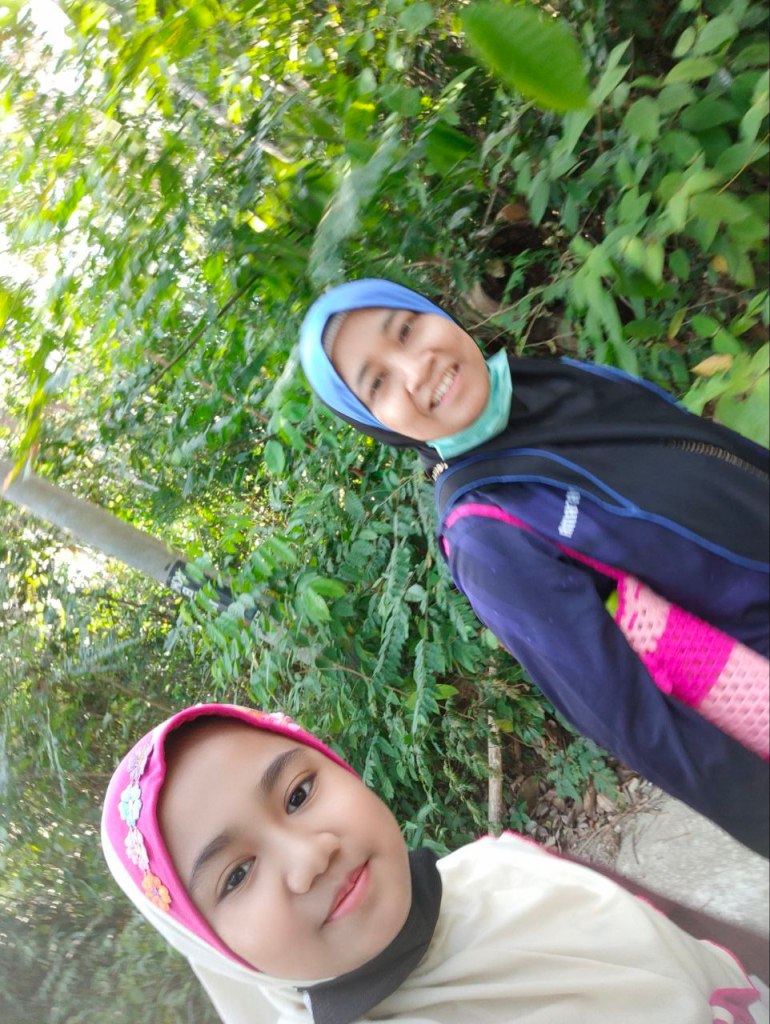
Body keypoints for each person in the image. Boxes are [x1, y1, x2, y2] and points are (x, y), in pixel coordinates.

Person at [298, 279, 770, 857]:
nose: (416, 368)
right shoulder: (486, 533)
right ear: (375, 422)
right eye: (377, 383)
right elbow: (634, 722)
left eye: (406, 329)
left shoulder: (547, 383)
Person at [102, 702, 769, 1024]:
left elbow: (702, 940)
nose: (310, 856)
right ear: (215, 949)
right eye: (237, 875)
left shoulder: (505, 865)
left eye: (299, 794)